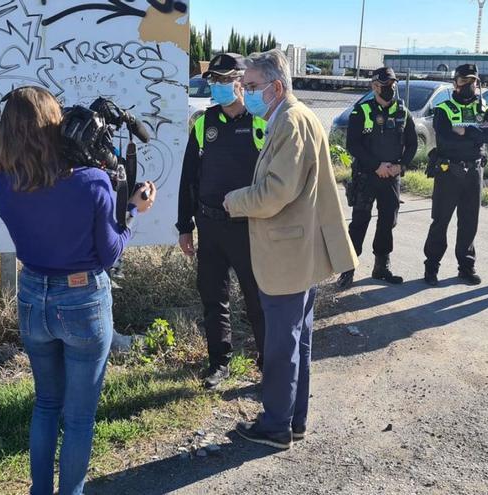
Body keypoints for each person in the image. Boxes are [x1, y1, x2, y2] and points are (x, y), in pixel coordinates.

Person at [0, 87, 156, 495]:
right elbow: (110, 252)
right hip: (82, 300)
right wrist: (132, 210)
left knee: (46, 404)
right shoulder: (92, 182)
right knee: (78, 417)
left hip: (31, 298)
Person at [223, 49, 358, 450]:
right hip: (298, 253)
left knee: (282, 346)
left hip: (287, 256)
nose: (244, 94)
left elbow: (274, 194)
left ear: (275, 87)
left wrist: (235, 201)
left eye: (250, 87)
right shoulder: (291, 117)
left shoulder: (291, 122)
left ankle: (276, 426)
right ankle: (292, 421)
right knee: (296, 341)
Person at [176, 53, 267, 389]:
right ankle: (219, 363)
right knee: (214, 299)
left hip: (248, 227)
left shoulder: (260, 121)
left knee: (257, 300)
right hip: (210, 226)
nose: (217, 86)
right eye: (214, 80)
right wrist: (185, 225)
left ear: (242, 82)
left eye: (224, 80)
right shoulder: (204, 122)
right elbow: (189, 177)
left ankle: (267, 362)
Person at [337, 66, 418, 290]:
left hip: (391, 178)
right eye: (385, 85)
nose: (390, 89)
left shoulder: (403, 111)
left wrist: (400, 166)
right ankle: (348, 269)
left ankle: (381, 266)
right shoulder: (360, 111)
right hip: (367, 176)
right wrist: (377, 166)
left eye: (393, 85)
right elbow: (353, 144)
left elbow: (412, 144)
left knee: (387, 222)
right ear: (374, 86)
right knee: (360, 222)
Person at [422, 64, 488, 286]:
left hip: (474, 171)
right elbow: (445, 138)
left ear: (478, 83)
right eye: (463, 81)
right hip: (449, 171)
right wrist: (477, 134)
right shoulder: (444, 108)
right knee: (440, 221)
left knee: (469, 222)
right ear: (455, 83)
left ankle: (466, 267)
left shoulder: (483, 107)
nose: (467, 85)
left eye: (471, 81)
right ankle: (432, 266)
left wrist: (466, 130)